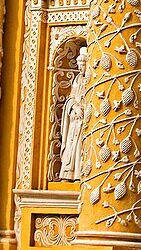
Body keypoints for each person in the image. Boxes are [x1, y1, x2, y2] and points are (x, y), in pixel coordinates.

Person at [60, 46, 87, 180]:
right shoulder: (77, 80)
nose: (80, 68)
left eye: (83, 65)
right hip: (75, 119)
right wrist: (75, 107)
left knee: (80, 147)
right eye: (79, 65)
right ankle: (68, 174)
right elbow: (71, 98)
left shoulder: (91, 80)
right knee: (71, 146)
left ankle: (78, 174)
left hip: (84, 120)